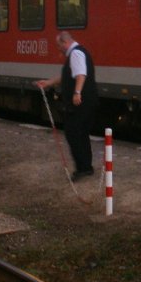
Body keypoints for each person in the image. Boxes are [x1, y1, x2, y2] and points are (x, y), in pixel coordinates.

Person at [34, 31, 98, 179]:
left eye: (58, 45)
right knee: (81, 134)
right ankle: (86, 166)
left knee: (73, 133)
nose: (58, 49)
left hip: (80, 102)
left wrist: (77, 92)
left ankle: (83, 168)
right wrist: (49, 82)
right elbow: (68, 76)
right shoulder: (78, 52)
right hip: (86, 101)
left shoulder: (75, 54)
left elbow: (81, 74)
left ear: (65, 42)